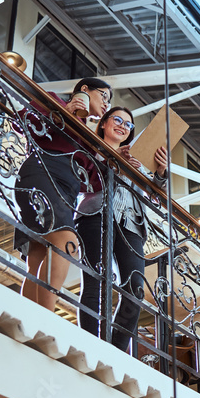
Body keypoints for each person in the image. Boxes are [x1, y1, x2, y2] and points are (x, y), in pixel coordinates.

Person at [13, 77, 113, 311]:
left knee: (37, 257)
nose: (106, 104)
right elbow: (23, 122)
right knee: (67, 242)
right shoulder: (54, 100)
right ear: (85, 89)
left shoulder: (88, 138)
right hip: (43, 172)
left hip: (67, 192)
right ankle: (46, 319)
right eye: (104, 96)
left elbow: (95, 183)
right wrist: (65, 112)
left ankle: (27, 318)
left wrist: (115, 159)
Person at [75, 106, 168, 351]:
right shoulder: (90, 146)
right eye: (117, 120)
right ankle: (88, 343)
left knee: (136, 289)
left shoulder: (137, 161)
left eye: (128, 124)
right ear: (104, 123)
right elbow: (83, 179)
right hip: (96, 214)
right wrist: (113, 161)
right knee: (95, 279)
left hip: (131, 224)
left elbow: (155, 198)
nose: (123, 126)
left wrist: (159, 174)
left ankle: (114, 350)